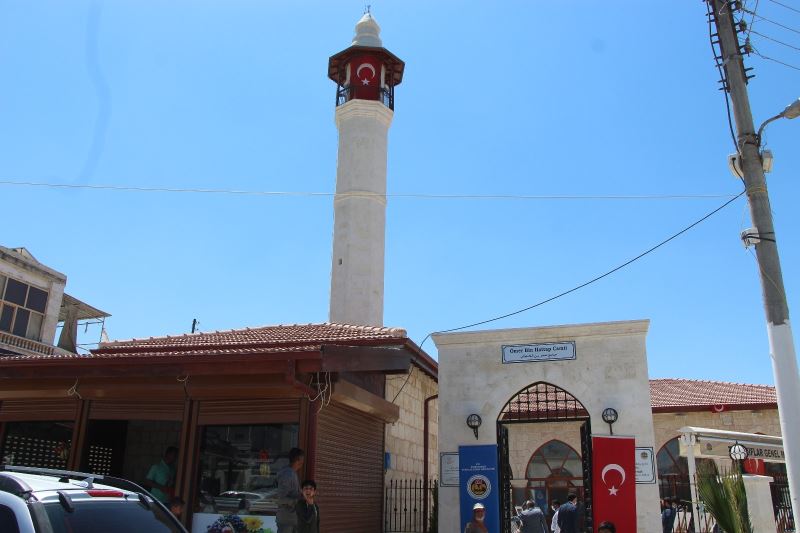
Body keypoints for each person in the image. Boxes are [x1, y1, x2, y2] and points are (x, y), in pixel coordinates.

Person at [276, 448, 304, 533]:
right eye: (302, 459)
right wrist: (298, 499)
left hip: (290, 519)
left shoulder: (291, 473)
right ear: (298, 460)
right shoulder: (288, 474)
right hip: (286, 520)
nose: (303, 461)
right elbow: (281, 499)